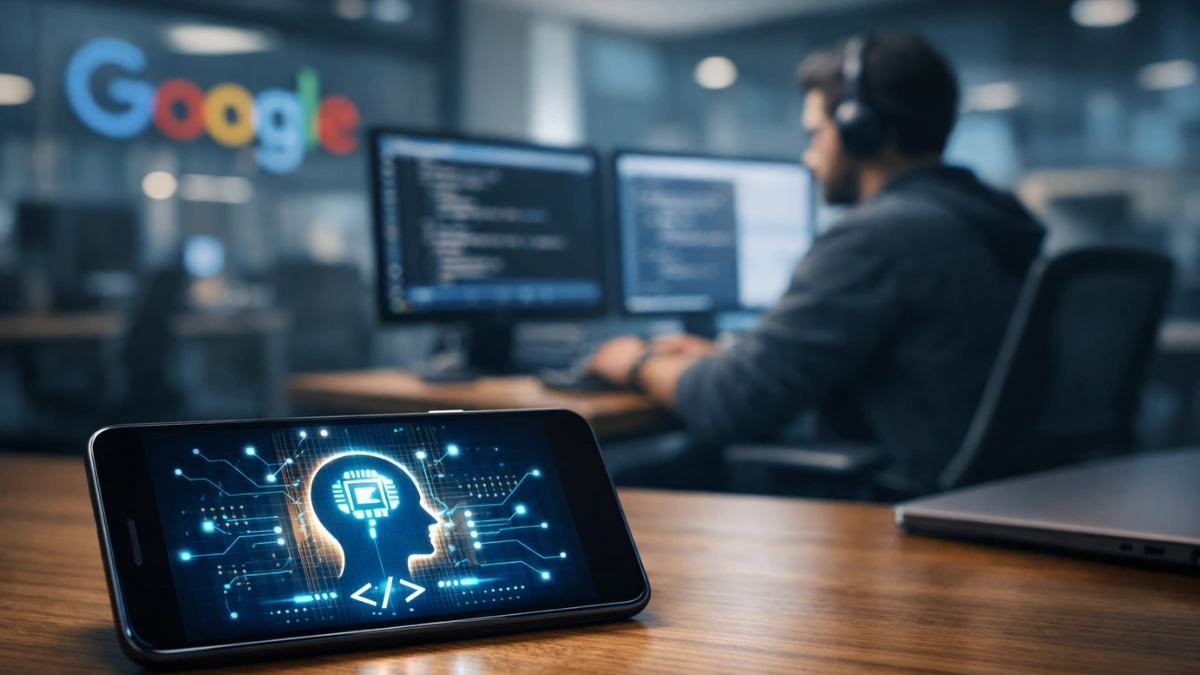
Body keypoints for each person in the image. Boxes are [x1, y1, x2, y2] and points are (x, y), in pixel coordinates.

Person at [587, 31, 1045, 494]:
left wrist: (634, 359)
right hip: (996, 495)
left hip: (908, 515)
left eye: (815, 133)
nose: (809, 156)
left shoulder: (880, 235)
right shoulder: (985, 221)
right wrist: (733, 360)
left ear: (860, 130)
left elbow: (731, 406)